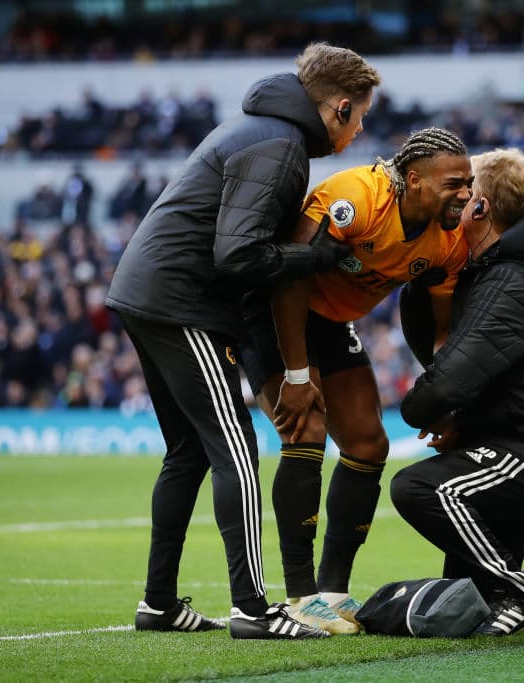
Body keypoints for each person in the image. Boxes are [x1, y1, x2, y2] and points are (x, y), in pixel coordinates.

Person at [105, 42, 381, 640]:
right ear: (337, 108)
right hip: (182, 302)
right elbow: (238, 254)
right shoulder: (279, 147)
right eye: (360, 116)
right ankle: (254, 612)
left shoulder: (261, 129)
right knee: (237, 450)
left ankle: (158, 604)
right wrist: (314, 258)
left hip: (147, 293)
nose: (360, 131)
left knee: (186, 454)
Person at [240, 127, 473, 634]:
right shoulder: (357, 198)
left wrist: (444, 399)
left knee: (368, 443)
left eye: (469, 182)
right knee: (305, 429)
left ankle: (332, 591)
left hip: (331, 321)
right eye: (453, 183)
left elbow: (439, 331)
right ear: (414, 180)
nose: (465, 193)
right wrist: (298, 375)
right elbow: (289, 275)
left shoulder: (449, 241)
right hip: (275, 308)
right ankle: (300, 597)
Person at [390, 148, 524, 636]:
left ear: (482, 209)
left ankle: (523, 589)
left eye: (465, 191)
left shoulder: (511, 282)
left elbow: (452, 376)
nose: (455, 200)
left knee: (418, 487)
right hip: (512, 445)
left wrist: (422, 409)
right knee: (465, 607)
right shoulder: (495, 273)